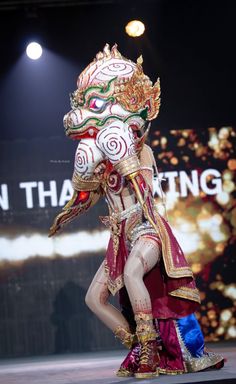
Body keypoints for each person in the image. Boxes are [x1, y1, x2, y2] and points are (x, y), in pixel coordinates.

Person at [49, 44, 224, 379]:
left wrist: (118, 151)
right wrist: (67, 212)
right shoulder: (99, 154)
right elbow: (84, 195)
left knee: (131, 276)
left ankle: (148, 349)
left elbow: (142, 190)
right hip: (121, 237)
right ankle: (141, 342)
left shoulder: (139, 152)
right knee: (94, 298)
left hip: (145, 229)